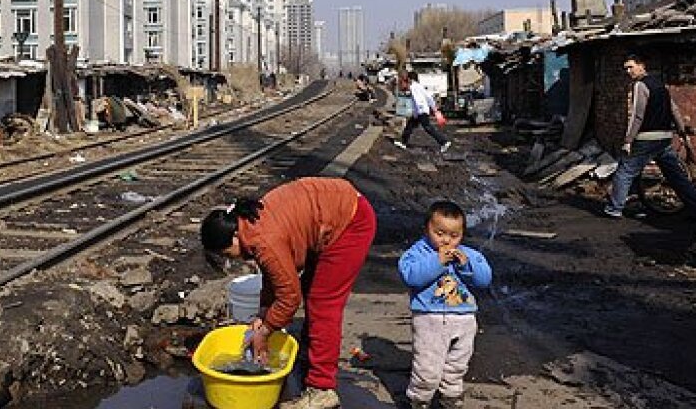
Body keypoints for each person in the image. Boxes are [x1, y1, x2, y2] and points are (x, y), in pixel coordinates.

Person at [201, 177, 377, 409]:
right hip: (331, 212)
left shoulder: (263, 241)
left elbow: (289, 297)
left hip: (350, 223)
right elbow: (274, 276)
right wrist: (263, 313)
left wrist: (265, 332)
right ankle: (311, 353)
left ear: (234, 237)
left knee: (323, 303)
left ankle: (322, 388)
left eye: (226, 253)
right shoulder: (250, 222)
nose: (230, 258)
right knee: (308, 288)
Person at [398, 201, 492, 409]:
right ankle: (420, 399)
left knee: (457, 364)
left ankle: (450, 396)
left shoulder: (469, 254)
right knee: (427, 366)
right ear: (427, 228)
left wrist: (467, 265)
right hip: (430, 317)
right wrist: (437, 262)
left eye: (454, 235)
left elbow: (484, 279)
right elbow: (411, 276)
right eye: (439, 233)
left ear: (462, 234)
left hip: (464, 318)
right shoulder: (418, 253)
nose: (446, 240)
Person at [605, 53, 696, 219]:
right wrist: (681, 131)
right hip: (664, 139)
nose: (628, 71)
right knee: (676, 175)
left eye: (630, 67)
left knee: (625, 171)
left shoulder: (640, 85)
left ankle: (615, 208)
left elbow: (637, 115)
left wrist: (628, 140)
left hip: (646, 138)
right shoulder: (661, 86)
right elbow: (674, 110)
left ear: (641, 65)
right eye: (626, 68)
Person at [394, 71, 451, 153]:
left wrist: (418, 112)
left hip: (421, 111)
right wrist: (434, 108)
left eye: (407, 79)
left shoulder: (413, 87)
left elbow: (418, 101)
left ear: (410, 79)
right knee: (410, 126)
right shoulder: (419, 86)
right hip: (421, 111)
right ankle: (403, 142)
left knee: (428, 128)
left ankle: (444, 142)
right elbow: (429, 97)